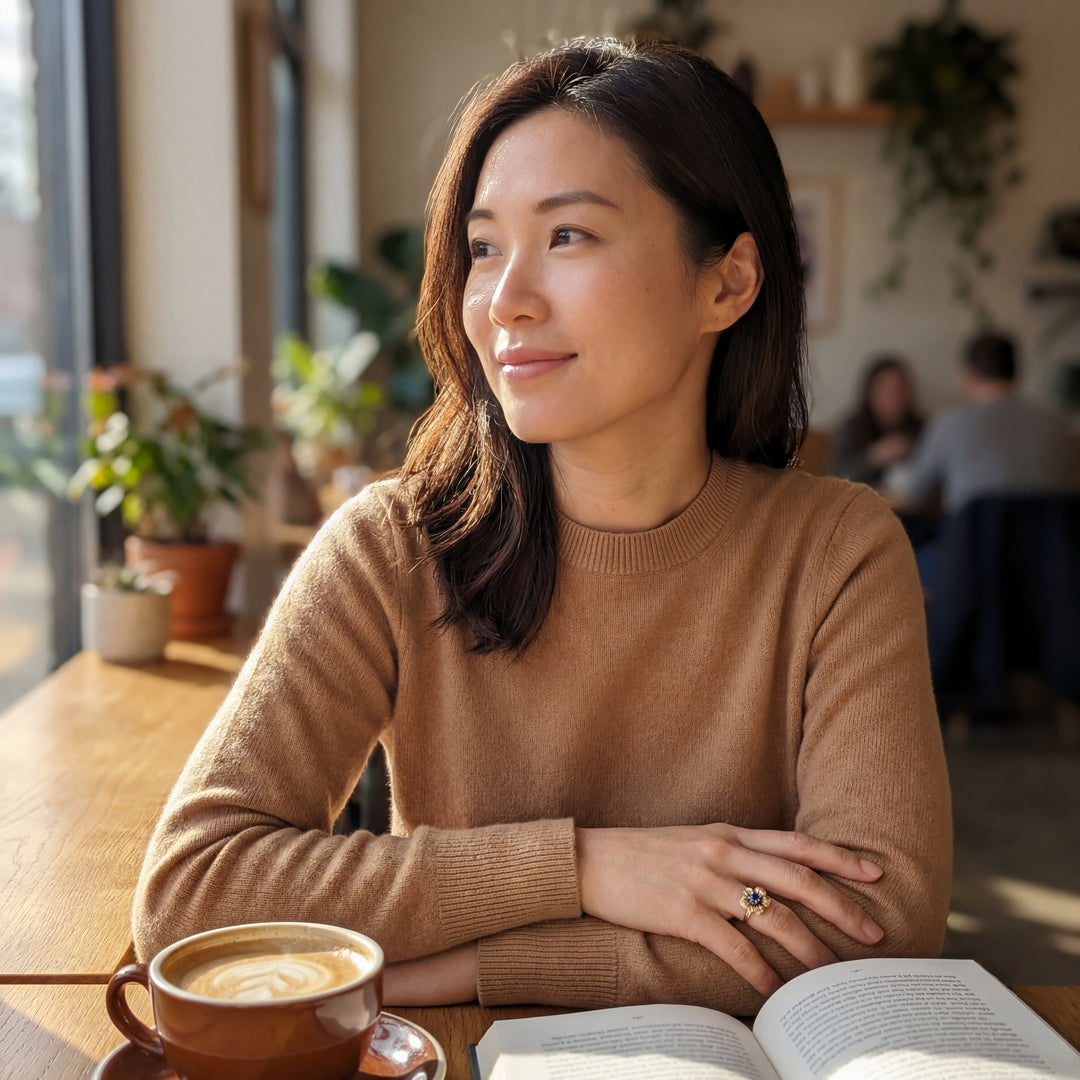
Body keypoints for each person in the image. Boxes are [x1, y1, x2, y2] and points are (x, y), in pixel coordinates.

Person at [132, 39, 951, 1016]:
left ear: (726, 284)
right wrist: (583, 868)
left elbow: (879, 922)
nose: (504, 302)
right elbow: (193, 892)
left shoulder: (838, 552)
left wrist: (477, 970)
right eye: (484, 249)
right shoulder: (390, 549)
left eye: (569, 236)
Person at [895, 331, 1079, 514]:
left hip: (974, 532)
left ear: (970, 374)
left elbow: (915, 492)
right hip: (1050, 532)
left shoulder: (950, 423)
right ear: (1016, 371)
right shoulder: (1057, 423)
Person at [831, 355, 923, 487]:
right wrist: (874, 456)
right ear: (871, 391)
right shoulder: (854, 427)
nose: (895, 396)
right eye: (888, 390)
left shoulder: (921, 427)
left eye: (900, 389)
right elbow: (837, 476)